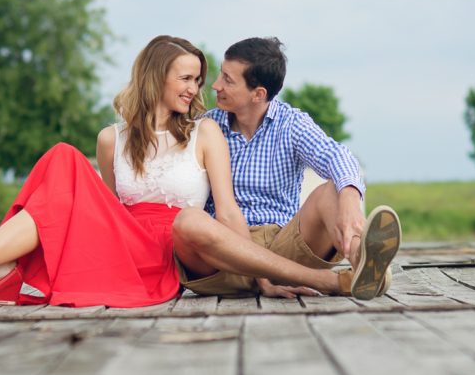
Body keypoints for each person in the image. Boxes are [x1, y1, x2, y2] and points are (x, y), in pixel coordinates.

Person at [0, 35, 376, 311]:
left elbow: (227, 209)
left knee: (329, 188)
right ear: (157, 78)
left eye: (209, 79)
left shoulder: (209, 132)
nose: (202, 88)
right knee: (62, 157)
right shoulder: (113, 140)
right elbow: (102, 211)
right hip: (142, 242)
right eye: (189, 78)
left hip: (188, 245)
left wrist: (258, 272)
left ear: (258, 93)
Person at [172, 37, 401, 301]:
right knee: (188, 221)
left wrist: (350, 202)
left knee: (333, 190)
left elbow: (337, 155)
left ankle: (362, 257)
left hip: (285, 248)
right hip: (225, 257)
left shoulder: (291, 123)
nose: (216, 85)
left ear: (258, 94)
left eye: (228, 79)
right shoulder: (206, 126)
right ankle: (332, 280)